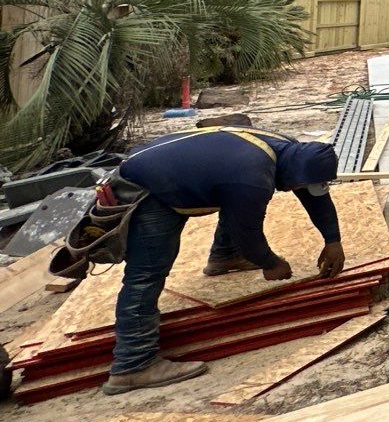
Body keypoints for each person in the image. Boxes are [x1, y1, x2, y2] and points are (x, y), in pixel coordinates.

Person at [103, 126, 343, 395]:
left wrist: (333, 240)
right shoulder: (252, 175)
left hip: (169, 169)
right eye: (298, 185)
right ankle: (133, 364)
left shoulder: (288, 149)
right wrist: (270, 262)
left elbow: (314, 195)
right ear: (296, 171)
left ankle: (225, 257)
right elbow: (247, 232)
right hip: (147, 189)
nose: (297, 189)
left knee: (235, 198)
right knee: (147, 273)